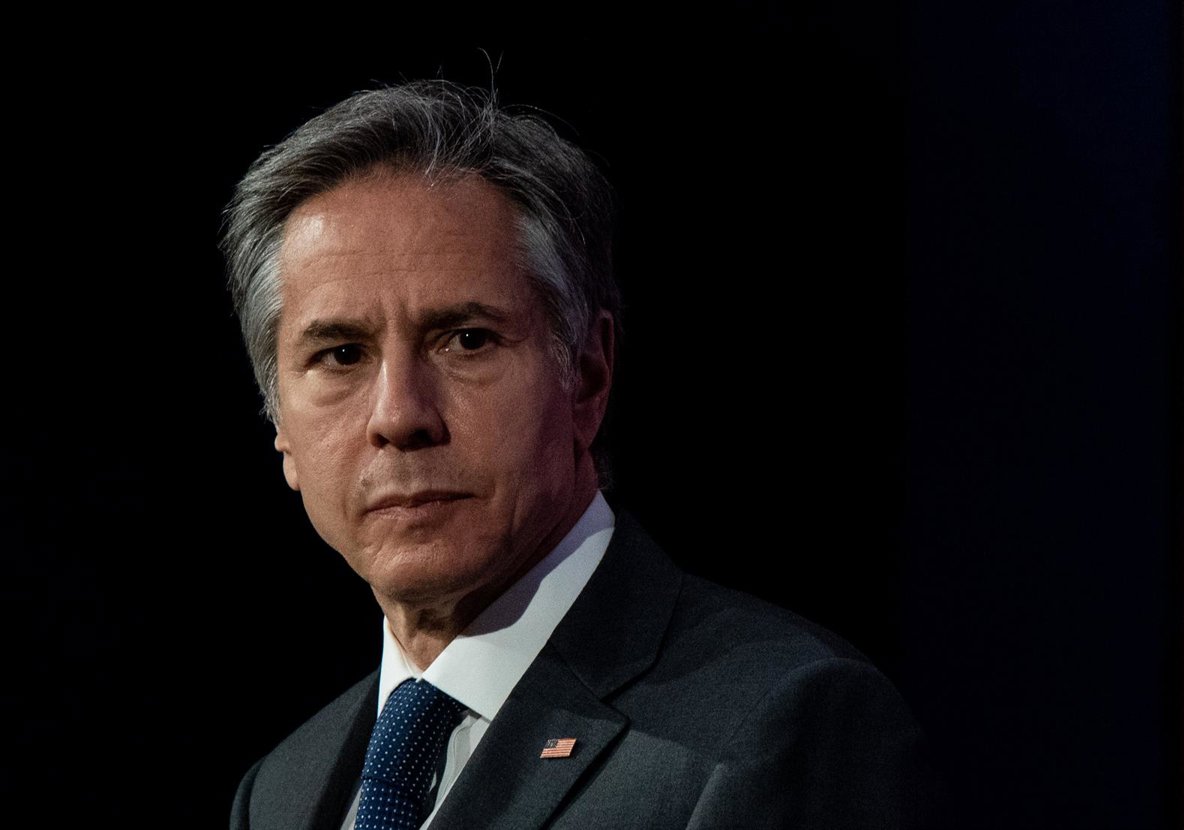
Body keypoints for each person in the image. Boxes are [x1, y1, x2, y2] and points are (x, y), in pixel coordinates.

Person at [223, 80, 944, 829]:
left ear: (588, 373)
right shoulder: (277, 793)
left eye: (467, 340)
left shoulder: (780, 729)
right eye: (341, 354)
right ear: (282, 428)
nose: (400, 416)